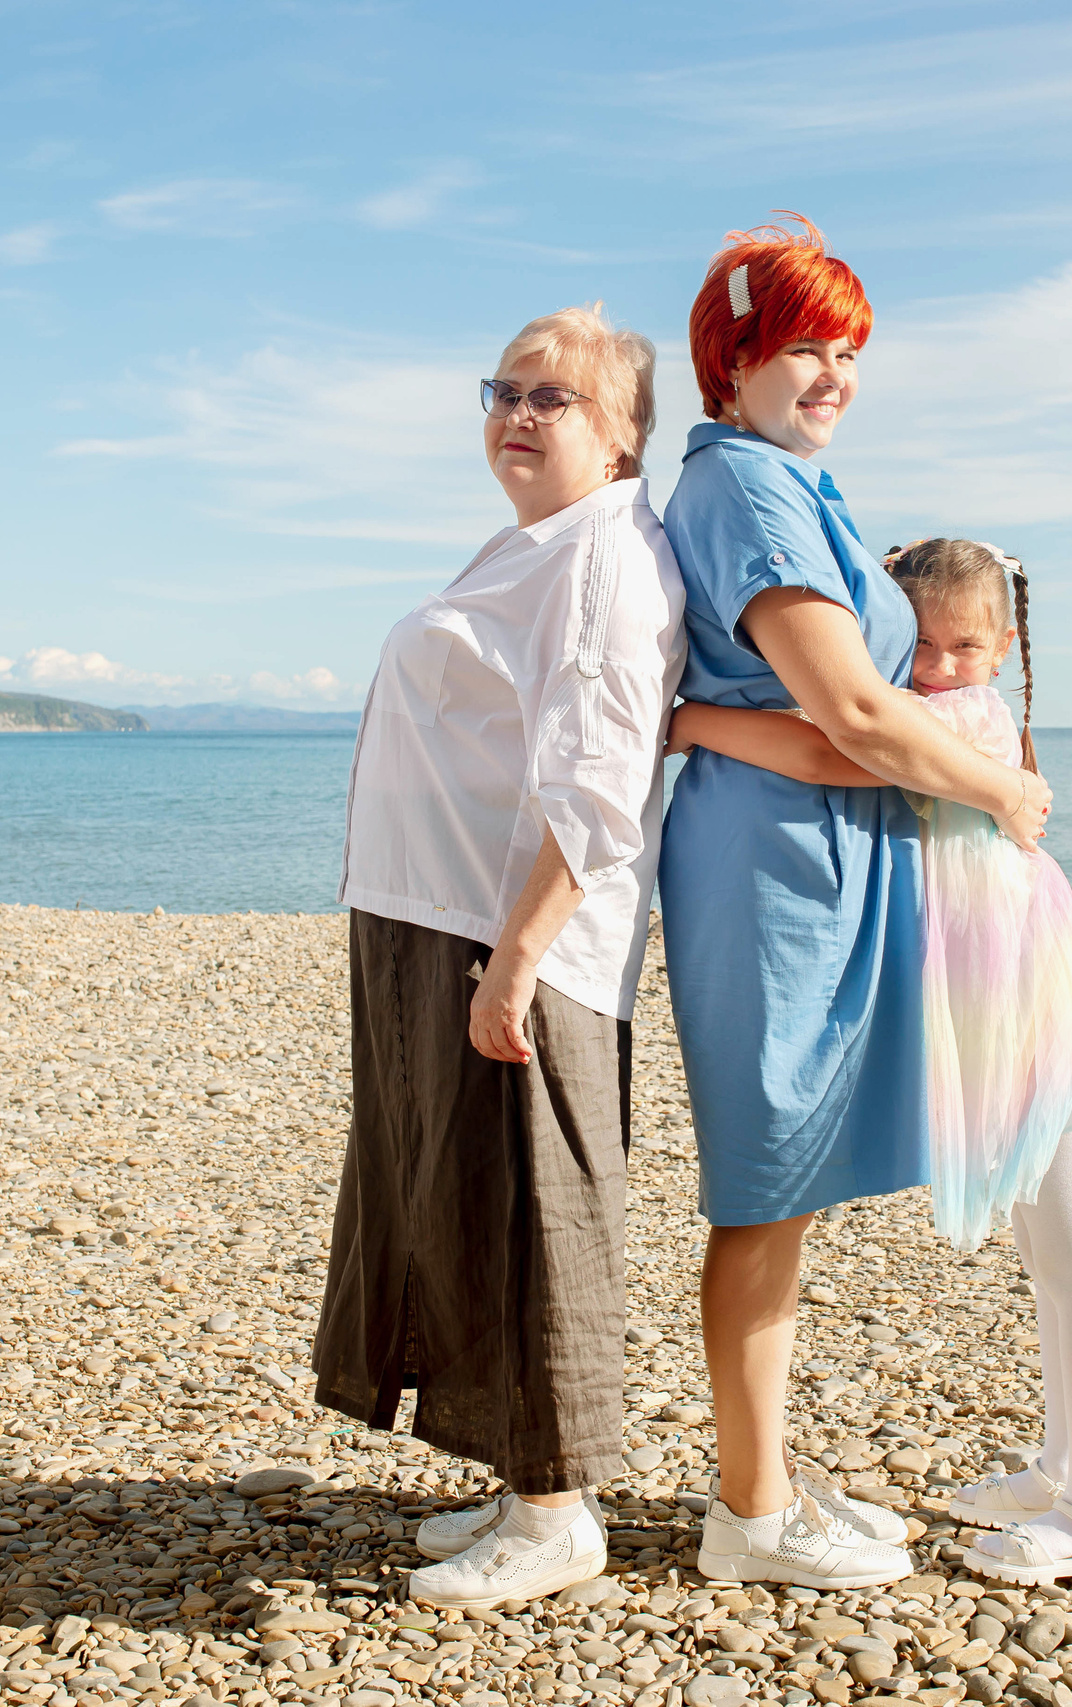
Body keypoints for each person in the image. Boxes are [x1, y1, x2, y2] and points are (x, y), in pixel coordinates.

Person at [656, 217, 1054, 1590]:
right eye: (799, 345)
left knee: (789, 1186)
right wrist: (999, 794)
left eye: (845, 347)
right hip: (774, 873)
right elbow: (857, 709)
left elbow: (826, 717)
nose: (830, 371)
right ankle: (749, 1517)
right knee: (764, 1185)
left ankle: (762, 1473)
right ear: (732, 361)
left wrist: (708, 718)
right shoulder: (752, 493)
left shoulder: (779, 477)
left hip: (814, 854)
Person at [668, 537, 1072, 1587]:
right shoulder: (951, 712)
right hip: (991, 1021)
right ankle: (1058, 1466)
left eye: (965, 645)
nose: (936, 665)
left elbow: (824, 751)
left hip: (1031, 1017)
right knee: (1050, 1269)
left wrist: (684, 719)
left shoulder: (960, 720)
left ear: (1006, 645)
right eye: (919, 643)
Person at [311, 303, 686, 1609]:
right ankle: (522, 1477)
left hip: (507, 928)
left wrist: (518, 956)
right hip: (442, 911)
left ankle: (556, 1510)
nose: (519, 413)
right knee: (457, 1198)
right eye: (505, 389)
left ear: (625, 433)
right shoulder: (542, 543)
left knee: (538, 1209)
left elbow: (597, 777)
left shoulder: (604, 559)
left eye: (556, 397)